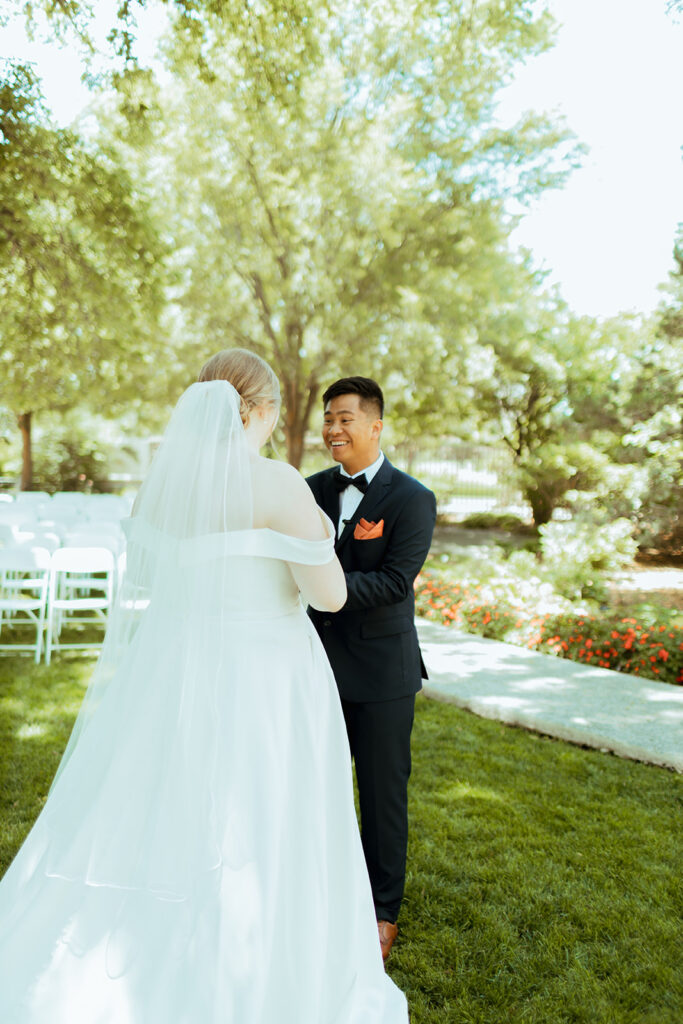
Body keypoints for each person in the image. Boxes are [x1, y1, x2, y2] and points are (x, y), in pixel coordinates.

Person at [0, 350, 408, 1023]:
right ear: (259, 410)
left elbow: (159, 583)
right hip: (268, 675)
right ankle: (259, 953)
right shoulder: (278, 483)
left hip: (178, 670)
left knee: (165, 796)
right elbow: (329, 596)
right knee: (265, 803)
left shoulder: (161, 487)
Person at [306, 377, 436, 961]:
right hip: (310, 666)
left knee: (382, 796)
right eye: (328, 418)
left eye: (346, 418)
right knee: (314, 784)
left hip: (383, 675)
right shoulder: (307, 490)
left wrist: (322, 587)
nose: (333, 428)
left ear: (376, 426)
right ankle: (316, 890)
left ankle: (383, 912)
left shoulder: (411, 499)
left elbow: (391, 583)